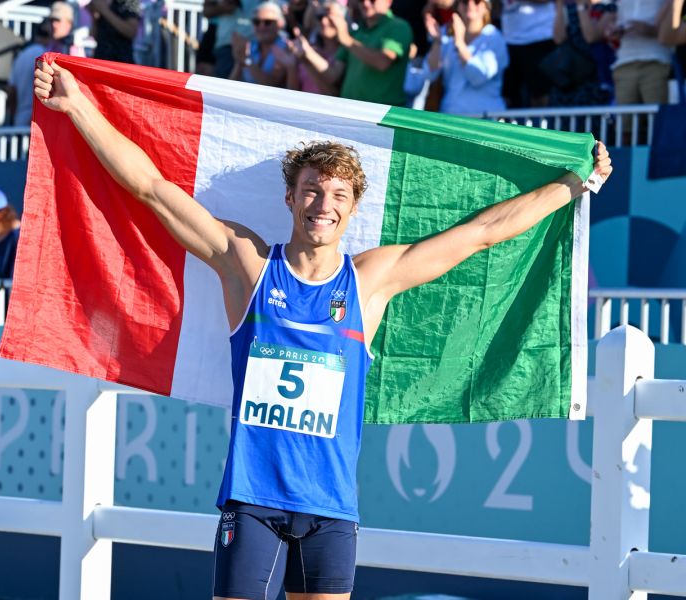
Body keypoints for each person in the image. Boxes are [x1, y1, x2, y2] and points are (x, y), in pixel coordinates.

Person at [34, 56, 612, 598]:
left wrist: (572, 184)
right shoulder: (248, 266)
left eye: (338, 194)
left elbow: (482, 233)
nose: (322, 203)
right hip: (252, 503)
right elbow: (152, 190)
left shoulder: (370, 281)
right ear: (290, 196)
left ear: (353, 209)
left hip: (331, 510)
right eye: (312, 189)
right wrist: (79, 105)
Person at [300, 0, 413, 106]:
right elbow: (333, 75)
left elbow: (382, 62)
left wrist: (346, 39)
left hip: (381, 118)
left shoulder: (399, 27)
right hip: (351, 113)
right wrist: (307, 56)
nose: (366, 3)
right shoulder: (356, 33)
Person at [404, 0, 508, 115]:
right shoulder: (446, 32)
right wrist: (437, 41)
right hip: (451, 116)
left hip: (486, 119)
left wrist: (459, 42)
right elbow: (430, 73)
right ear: (458, 6)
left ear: (486, 8)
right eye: (465, 1)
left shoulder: (494, 37)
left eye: (477, 1)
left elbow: (478, 77)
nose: (470, 5)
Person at [547, 0, 614, 106]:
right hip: (569, 75)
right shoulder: (568, 9)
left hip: (595, 77)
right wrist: (559, 5)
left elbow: (590, 37)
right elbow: (558, 39)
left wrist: (581, 7)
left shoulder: (608, 8)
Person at [608, 0, 671, 107]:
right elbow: (609, 27)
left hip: (656, 62)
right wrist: (613, 32)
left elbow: (677, 24)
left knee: (657, 120)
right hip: (624, 64)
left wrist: (652, 31)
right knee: (626, 121)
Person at [273, 0, 345, 94]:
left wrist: (308, 56)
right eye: (320, 17)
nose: (324, 21)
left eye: (330, 17)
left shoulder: (348, 51)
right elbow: (293, 92)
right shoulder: (309, 47)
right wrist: (292, 66)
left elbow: (333, 93)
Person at [501, 0, 556, 107]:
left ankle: (541, 123)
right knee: (508, 95)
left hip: (539, 37)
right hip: (508, 39)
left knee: (540, 94)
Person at [229, 1, 288, 85]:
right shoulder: (250, 46)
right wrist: (239, 59)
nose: (261, 27)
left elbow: (273, 85)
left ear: (280, 23)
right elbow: (231, 83)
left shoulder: (287, 47)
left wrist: (247, 60)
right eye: (256, 22)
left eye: (268, 22)